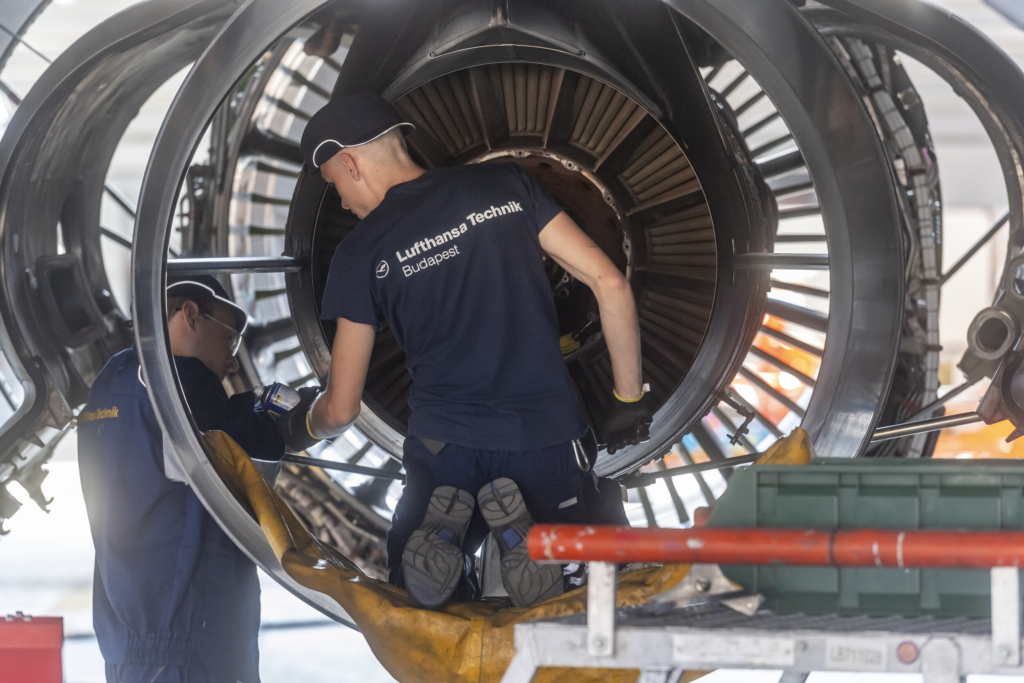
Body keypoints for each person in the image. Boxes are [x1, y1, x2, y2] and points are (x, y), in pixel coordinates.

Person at [282, 93, 652, 609]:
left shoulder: (359, 253)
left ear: (349, 162)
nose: (342, 201)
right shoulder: (505, 186)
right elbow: (609, 282)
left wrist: (302, 426)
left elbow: (342, 407)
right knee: (593, 575)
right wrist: (629, 400)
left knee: (421, 598)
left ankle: (445, 570)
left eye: (334, 183)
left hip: (444, 448)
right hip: (544, 436)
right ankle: (542, 553)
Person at [78, 275, 285, 683]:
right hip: (188, 635)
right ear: (190, 314)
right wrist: (284, 417)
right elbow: (244, 463)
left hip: (127, 637)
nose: (231, 361)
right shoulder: (183, 382)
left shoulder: (111, 379)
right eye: (230, 339)